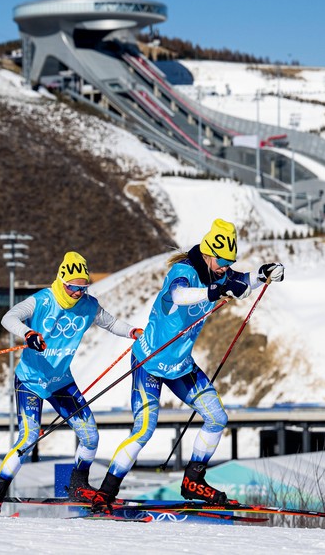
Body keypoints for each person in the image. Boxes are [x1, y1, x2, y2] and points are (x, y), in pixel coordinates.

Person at [90, 219, 283, 512]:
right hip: (150, 362)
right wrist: (213, 293)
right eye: (222, 261)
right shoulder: (182, 272)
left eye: (230, 262)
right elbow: (180, 297)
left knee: (217, 417)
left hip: (180, 366)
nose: (225, 267)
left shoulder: (220, 273)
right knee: (144, 430)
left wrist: (263, 273)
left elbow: (242, 285)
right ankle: (105, 493)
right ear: (207, 254)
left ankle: (193, 480)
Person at [0, 251, 142, 516]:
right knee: (29, 437)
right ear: (61, 279)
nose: (78, 292)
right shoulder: (43, 300)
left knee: (90, 435)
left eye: (83, 287)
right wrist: (28, 333)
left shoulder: (89, 305)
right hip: (31, 382)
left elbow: (111, 323)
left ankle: (78, 486)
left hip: (61, 383)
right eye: (73, 287)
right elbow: (8, 317)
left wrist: (132, 332)